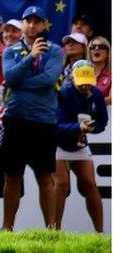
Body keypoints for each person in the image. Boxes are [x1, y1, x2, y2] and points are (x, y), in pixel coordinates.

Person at [0, 6, 63, 230]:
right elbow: (9, 76)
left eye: (37, 21)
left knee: (46, 178)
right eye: (29, 21)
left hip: (44, 122)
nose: (33, 25)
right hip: (16, 120)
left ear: (44, 25)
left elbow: (48, 79)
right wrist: (31, 58)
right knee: (12, 177)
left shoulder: (55, 51)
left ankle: (51, 228)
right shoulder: (10, 51)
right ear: (23, 24)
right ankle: (7, 228)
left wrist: (19, 83)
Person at [54, 60, 107, 232]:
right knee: (61, 183)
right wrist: (78, 127)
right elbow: (56, 125)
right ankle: (54, 231)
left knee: (90, 183)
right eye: (81, 83)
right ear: (73, 78)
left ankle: (99, 232)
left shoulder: (97, 95)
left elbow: (102, 122)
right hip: (57, 143)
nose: (85, 86)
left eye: (88, 83)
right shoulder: (62, 94)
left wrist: (92, 128)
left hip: (80, 143)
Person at [86, 36, 111, 104]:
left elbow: (110, 99)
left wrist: (89, 103)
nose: (96, 49)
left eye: (101, 47)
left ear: (108, 53)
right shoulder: (82, 71)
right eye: (93, 47)